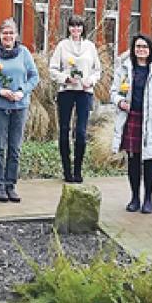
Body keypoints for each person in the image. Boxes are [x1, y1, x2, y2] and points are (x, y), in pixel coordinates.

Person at [110, 34, 152, 214]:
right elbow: (114, 91)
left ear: (151, 50)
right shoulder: (125, 68)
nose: (141, 50)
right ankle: (134, 198)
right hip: (131, 117)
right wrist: (119, 102)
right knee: (132, 160)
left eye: (145, 47)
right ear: (133, 49)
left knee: (149, 160)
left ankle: (148, 199)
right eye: (138, 46)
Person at [0, 18, 40, 203]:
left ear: (16, 35)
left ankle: (11, 184)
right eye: (5, 33)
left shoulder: (24, 53)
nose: (8, 36)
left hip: (19, 107)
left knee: (15, 148)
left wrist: (22, 91)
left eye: (11, 33)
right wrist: (0, 91)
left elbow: (34, 76)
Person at [48, 14, 101, 183]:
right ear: (69, 28)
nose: (76, 29)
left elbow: (97, 70)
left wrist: (90, 81)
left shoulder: (90, 46)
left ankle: (78, 170)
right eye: (72, 26)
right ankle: (66, 171)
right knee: (64, 131)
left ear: (83, 28)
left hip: (84, 92)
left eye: (79, 26)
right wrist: (65, 78)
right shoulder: (62, 46)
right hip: (66, 91)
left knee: (81, 132)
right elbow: (53, 69)